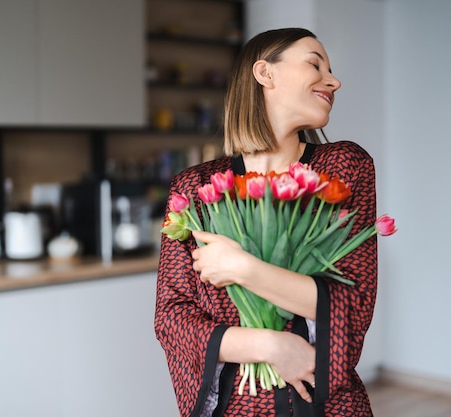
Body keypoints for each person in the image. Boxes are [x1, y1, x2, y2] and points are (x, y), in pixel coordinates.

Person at [155, 28, 377, 417]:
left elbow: (352, 303)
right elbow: (172, 318)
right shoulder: (195, 188)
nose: (334, 80)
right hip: (236, 406)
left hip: (325, 405)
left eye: (331, 69)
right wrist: (270, 347)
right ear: (265, 73)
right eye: (315, 64)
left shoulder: (342, 167)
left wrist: (244, 268)